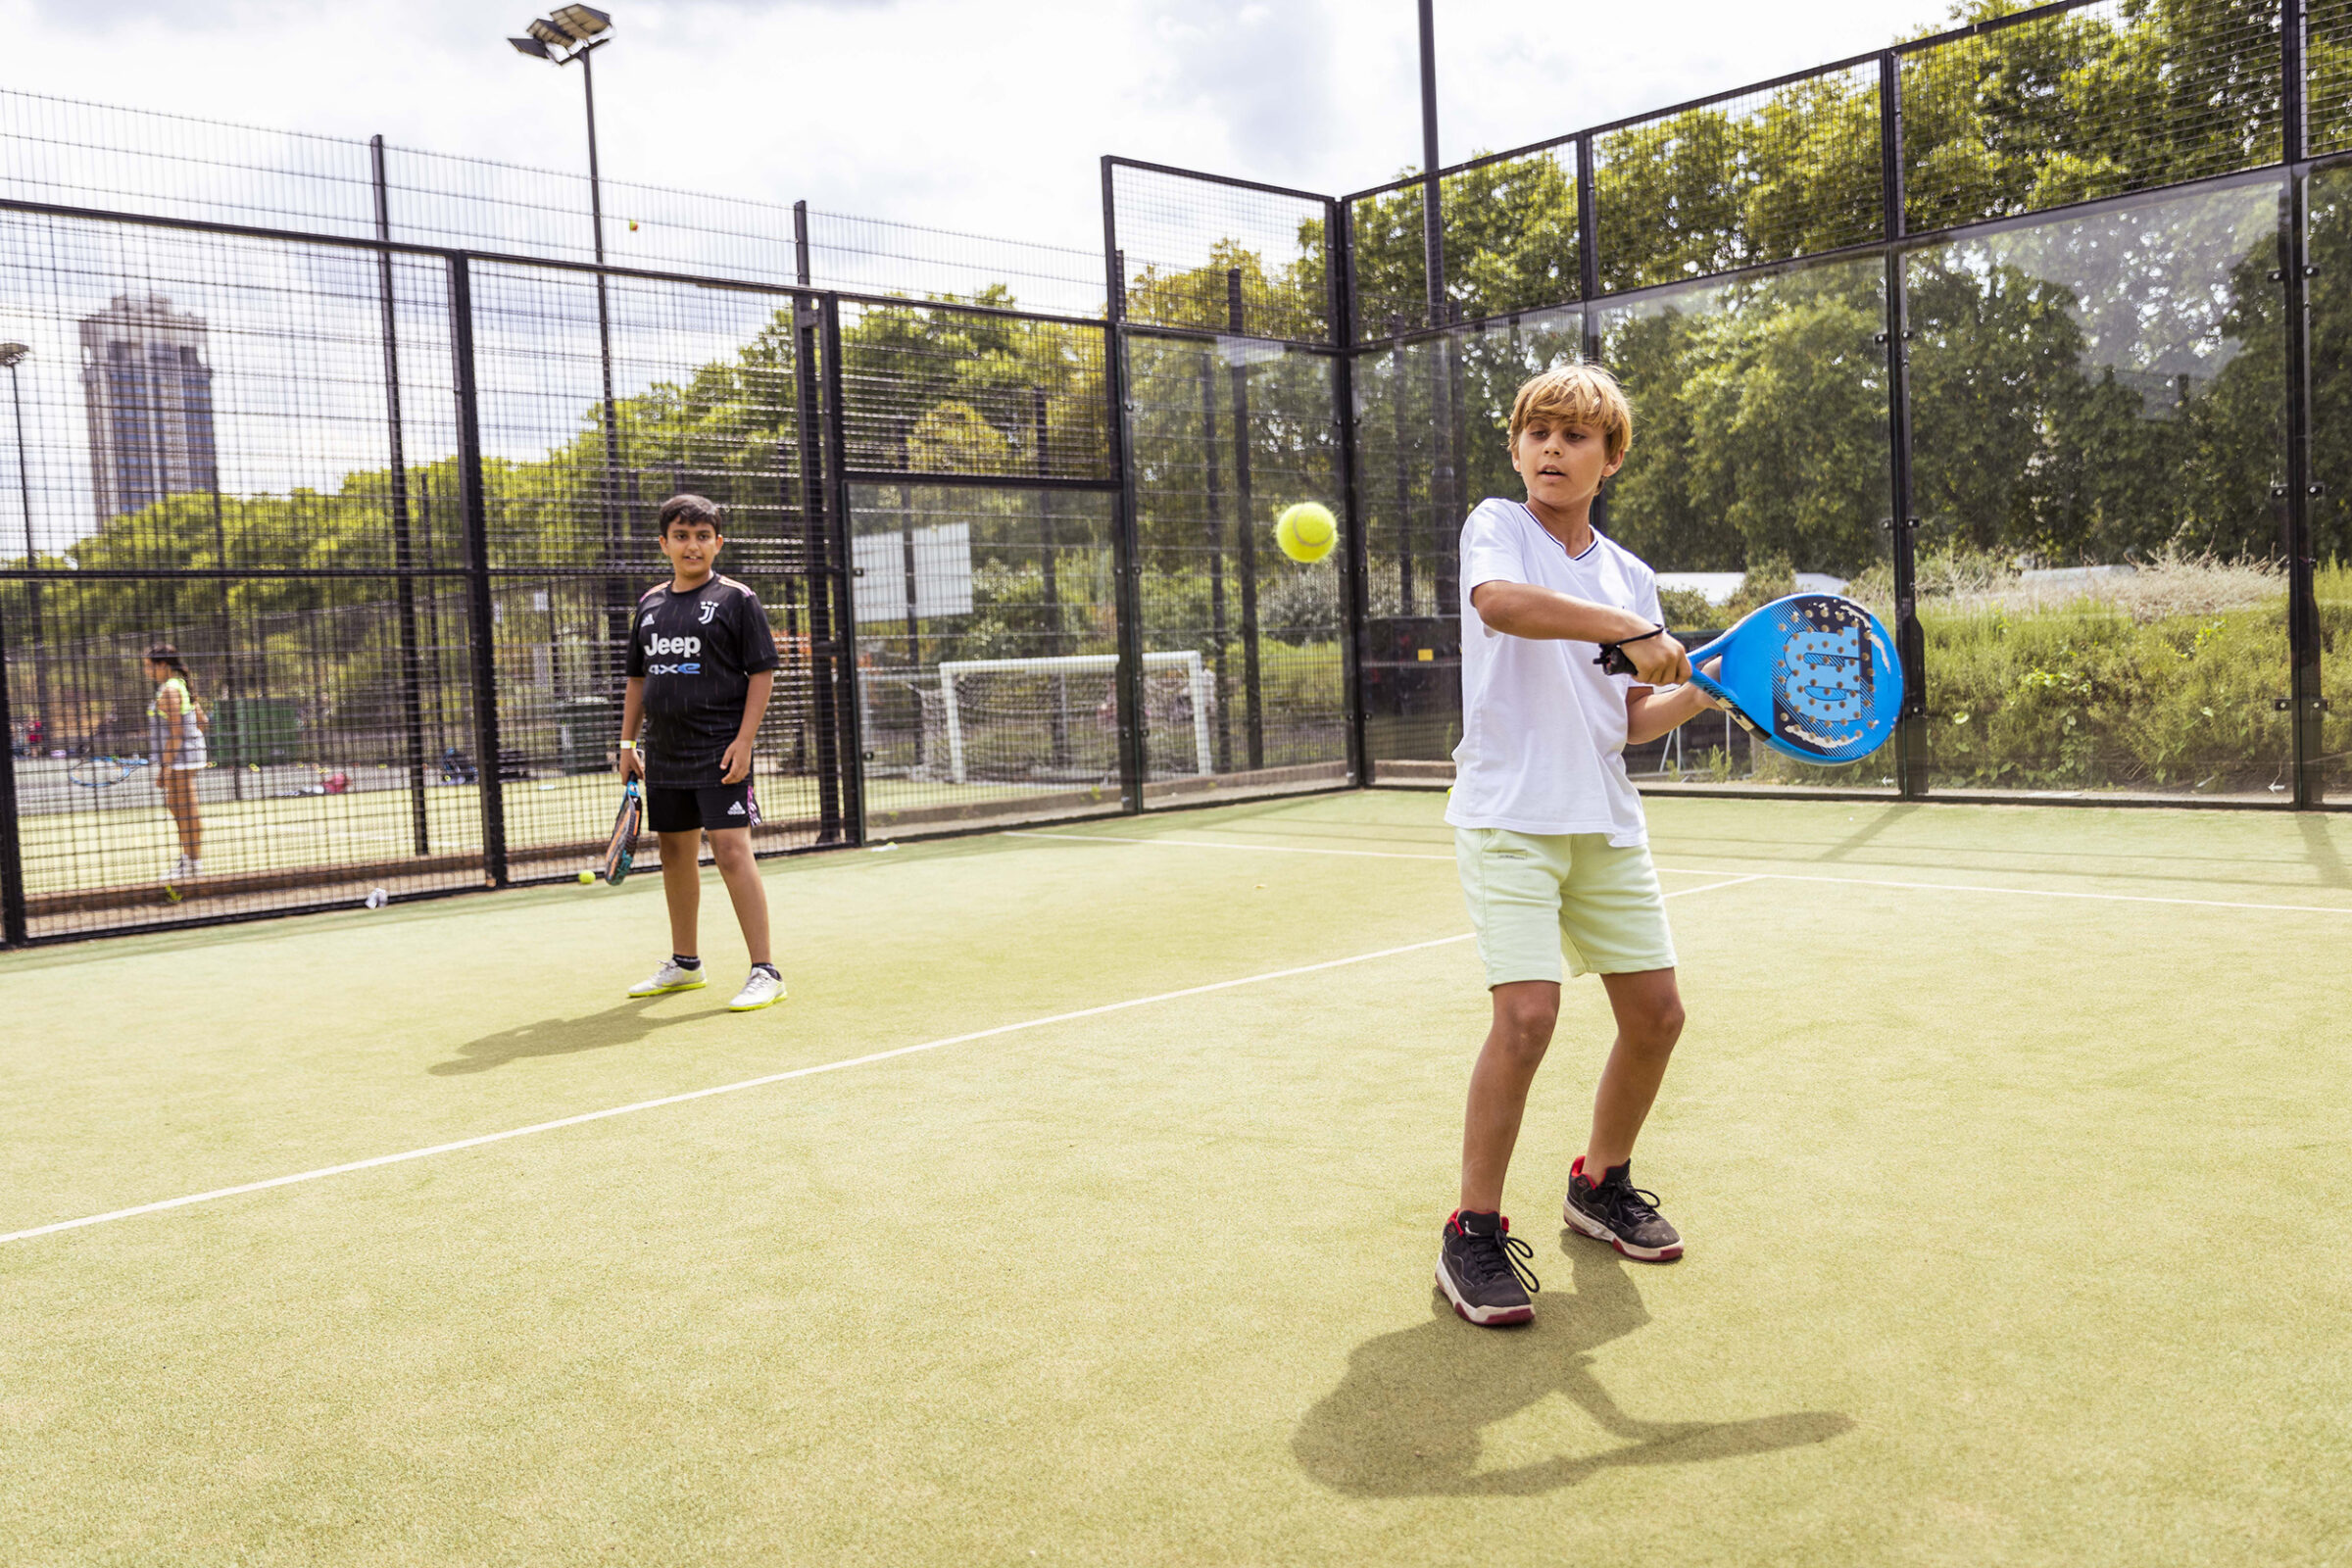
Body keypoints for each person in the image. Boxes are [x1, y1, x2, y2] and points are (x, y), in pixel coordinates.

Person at [1434, 365, 1726, 1328]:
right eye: (1537, 433)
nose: (1552, 450)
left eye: (1574, 436)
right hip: (1509, 817)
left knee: (1658, 1015)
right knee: (1526, 1020)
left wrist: (1695, 690)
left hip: (1602, 820)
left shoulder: (1628, 571)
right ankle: (1472, 1233)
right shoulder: (1498, 526)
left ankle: (1600, 1184)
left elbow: (1629, 720)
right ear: (1517, 448)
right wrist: (1635, 630)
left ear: (1610, 457)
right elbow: (1503, 606)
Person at [617, 494, 785, 1012]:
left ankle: (766, 970)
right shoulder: (648, 606)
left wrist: (744, 740)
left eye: (703, 535)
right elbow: (638, 679)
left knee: (732, 851)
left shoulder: (737, 599)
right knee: (674, 854)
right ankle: (686, 963)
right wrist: (627, 742)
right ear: (664, 543)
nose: (693, 545)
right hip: (664, 754)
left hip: (720, 751)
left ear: (718, 542)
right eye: (682, 535)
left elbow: (762, 672)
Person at [146, 643, 208, 883]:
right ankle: (189, 860)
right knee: (176, 806)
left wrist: (166, 766)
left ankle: (193, 863)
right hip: (184, 755)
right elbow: (201, 721)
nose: (146, 671)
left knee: (185, 810)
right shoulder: (179, 685)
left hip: (181, 758)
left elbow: (176, 731)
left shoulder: (171, 690)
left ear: (162, 665)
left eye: (148, 666)